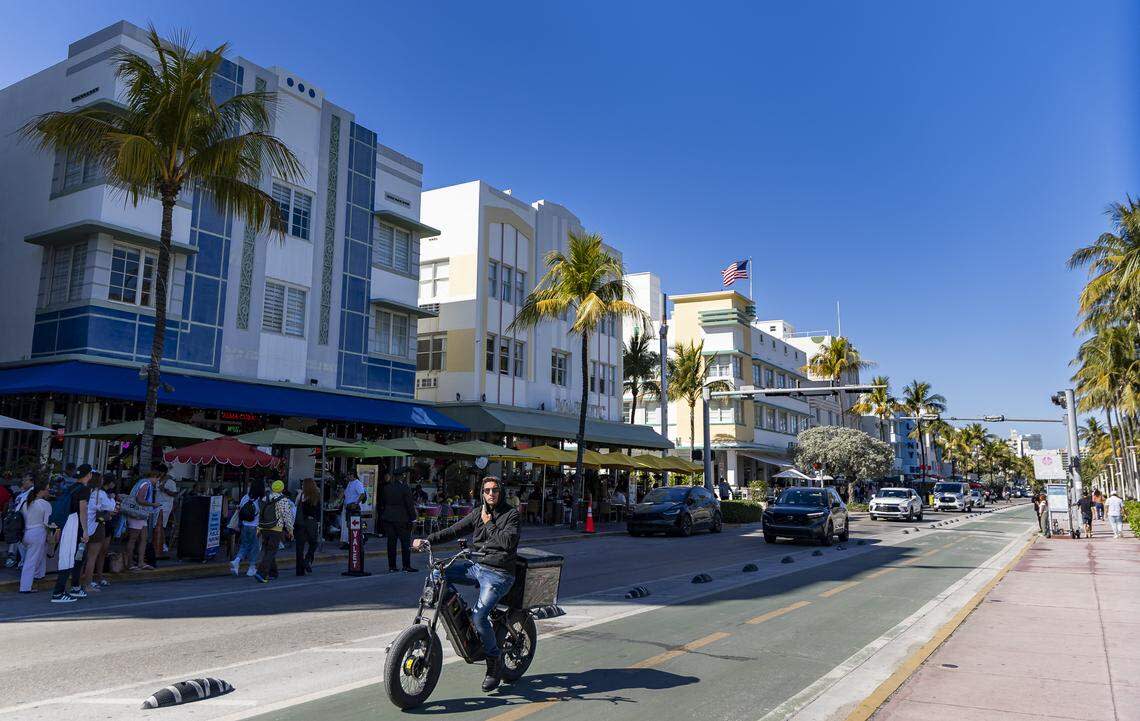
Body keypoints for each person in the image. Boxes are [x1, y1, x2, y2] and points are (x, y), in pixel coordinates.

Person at [412, 476, 520, 693]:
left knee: (480, 616)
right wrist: (427, 540)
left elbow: (508, 543)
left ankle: (493, 664)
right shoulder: (478, 512)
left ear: (501, 491)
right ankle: (456, 609)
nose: (491, 494)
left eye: (495, 490)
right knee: (437, 573)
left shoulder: (511, 515)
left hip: (499, 574)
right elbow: (454, 530)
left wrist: (489, 522)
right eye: (487, 490)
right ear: (482, 492)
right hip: (478, 567)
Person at [50, 464, 93, 602]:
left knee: (78, 556)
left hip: (69, 523)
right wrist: (86, 531)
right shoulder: (85, 489)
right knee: (69, 557)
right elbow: (83, 510)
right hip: (73, 525)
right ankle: (58, 592)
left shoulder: (72, 487)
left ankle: (75, 587)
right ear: (89, 475)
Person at [254, 480, 295, 583]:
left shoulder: (265, 497)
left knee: (268, 550)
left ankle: (273, 572)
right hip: (275, 529)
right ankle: (261, 573)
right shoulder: (283, 500)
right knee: (271, 551)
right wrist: (290, 530)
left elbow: (260, 513)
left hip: (264, 528)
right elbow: (287, 516)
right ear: (282, 489)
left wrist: (259, 528)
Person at [80, 473, 115, 593]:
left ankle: (78, 582)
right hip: (96, 526)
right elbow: (110, 507)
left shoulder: (84, 491)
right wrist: (112, 498)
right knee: (92, 558)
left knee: (81, 557)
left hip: (83, 526)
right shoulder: (100, 494)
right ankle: (88, 584)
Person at [380, 471, 417, 573]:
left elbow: (382, 503)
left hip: (388, 518)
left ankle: (392, 566)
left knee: (391, 543)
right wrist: (413, 519)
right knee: (405, 543)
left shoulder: (387, 488)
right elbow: (409, 505)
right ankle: (406, 565)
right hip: (402, 518)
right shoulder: (405, 488)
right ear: (402, 476)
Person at [18, 479, 51, 594]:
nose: (49, 491)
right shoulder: (45, 504)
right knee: (31, 561)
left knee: (31, 559)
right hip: (38, 533)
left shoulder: (26, 502)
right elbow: (47, 523)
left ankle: (35, 578)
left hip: (25, 533)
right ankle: (25, 587)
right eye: (47, 489)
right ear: (41, 491)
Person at [230, 479, 264, 577]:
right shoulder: (260, 500)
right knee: (255, 547)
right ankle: (252, 567)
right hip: (256, 526)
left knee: (244, 545)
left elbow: (239, 509)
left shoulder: (245, 497)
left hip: (245, 525)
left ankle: (237, 560)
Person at [294, 478, 320, 576]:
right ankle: (307, 560)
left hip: (300, 523)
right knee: (313, 543)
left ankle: (299, 570)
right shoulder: (316, 495)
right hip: (311, 522)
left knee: (299, 548)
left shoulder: (300, 495)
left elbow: (296, 505)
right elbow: (317, 511)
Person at [153, 476, 178, 559]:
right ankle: (158, 543)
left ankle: (163, 544)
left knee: (160, 526)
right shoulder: (156, 481)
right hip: (156, 506)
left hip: (165, 506)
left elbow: (174, 494)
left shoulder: (170, 482)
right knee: (156, 526)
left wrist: (165, 490)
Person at [340, 473, 367, 547]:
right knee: (349, 526)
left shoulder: (357, 483)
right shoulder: (349, 483)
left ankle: (359, 540)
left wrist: (356, 503)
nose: (348, 476)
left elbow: (362, 494)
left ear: (353, 475)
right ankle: (350, 542)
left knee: (353, 526)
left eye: (349, 475)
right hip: (348, 507)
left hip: (354, 508)